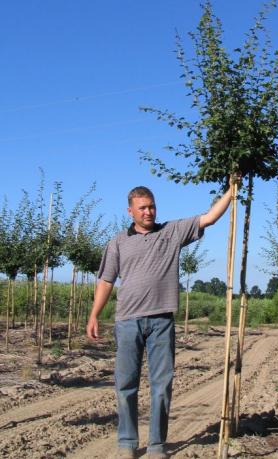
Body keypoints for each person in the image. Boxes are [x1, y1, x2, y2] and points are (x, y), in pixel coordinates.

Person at [86, 179, 238, 459]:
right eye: (142, 208)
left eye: (152, 207)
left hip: (161, 322)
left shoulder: (172, 232)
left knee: (161, 386)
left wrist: (231, 190)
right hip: (128, 321)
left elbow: (210, 218)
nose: (149, 212)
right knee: (125, 385)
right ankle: (127, 443)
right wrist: (94, 315)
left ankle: (157, 446)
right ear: (129, 211)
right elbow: (106, 281)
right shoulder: (118, 242)